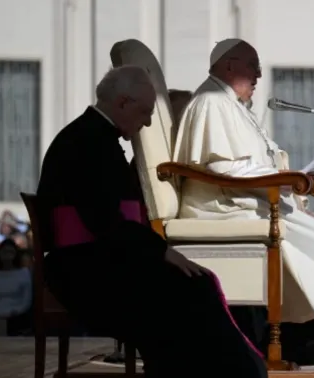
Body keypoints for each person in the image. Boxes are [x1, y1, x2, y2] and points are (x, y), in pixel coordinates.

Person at [37, 65, 267, 378]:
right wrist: (161, 251)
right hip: (84, 271)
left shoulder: (94, 137)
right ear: (122, 103)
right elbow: (105, 222)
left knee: (194, 286)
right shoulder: (87, 143)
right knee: (190, 292)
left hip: (100, 260)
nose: (147, 122)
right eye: (144, 112)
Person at [174, 38, 314, 364]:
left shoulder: (231, 105)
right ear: (229, 66)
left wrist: (285, 179)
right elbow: (221, 167)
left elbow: (245, 164)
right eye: (252, 66)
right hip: (220, 208)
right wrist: (282, 181)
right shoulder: (212, 101)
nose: (258, 74)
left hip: (241, 200)